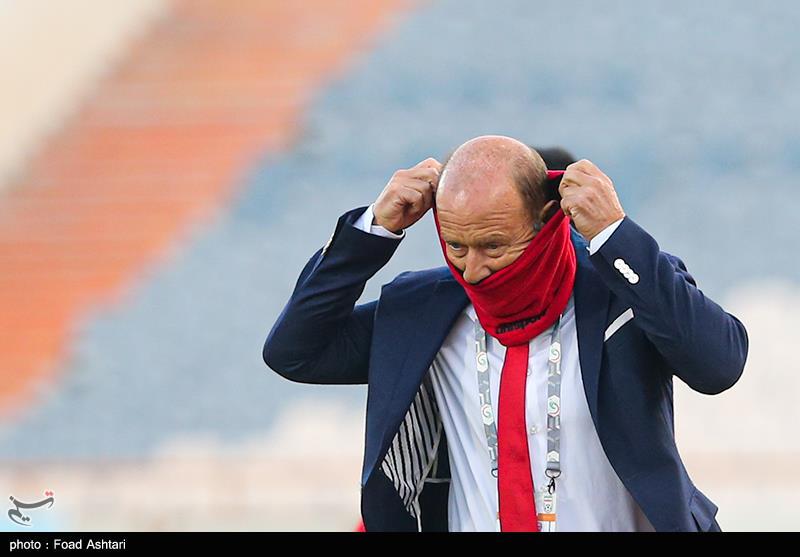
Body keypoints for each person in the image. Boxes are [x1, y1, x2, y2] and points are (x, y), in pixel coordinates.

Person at [262, 135, 748, 532]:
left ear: (546, 222)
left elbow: (719, 364)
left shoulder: (622, 289)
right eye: (456, 245)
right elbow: (294, 351)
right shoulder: (421, 311)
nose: (473, 270)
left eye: (493, 246)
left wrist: (615, 234)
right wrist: (372, 232)